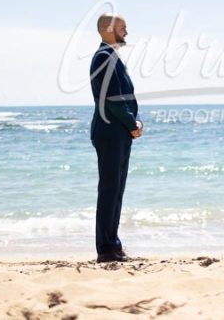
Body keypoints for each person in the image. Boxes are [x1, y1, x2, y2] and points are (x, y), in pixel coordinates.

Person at [89, 13, 143, 263]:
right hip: (111, 132)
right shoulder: (104, 57)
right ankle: (106, 249)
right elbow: (114, 100)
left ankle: (113, 244)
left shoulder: (110, 56)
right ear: (109, 29)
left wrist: (132, 125)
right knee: (110, 190)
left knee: (117, 190)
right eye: (123, 28)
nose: (127, 32)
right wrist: (133, 124)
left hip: (117, 133)